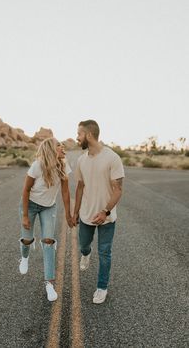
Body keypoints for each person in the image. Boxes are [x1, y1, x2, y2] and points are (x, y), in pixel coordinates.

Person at [72, 120, 125, 304]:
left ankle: (102, 287)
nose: (77, 137)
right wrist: (75, 211)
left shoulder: (112, 158)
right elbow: (79, 187)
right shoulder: (81, 160)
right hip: (86, 214)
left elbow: (118, 189)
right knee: (84, 245)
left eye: (79, 134)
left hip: (107, 217)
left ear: (88, 135)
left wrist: (105, 212)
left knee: (104, 252)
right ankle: (86, 254)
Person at [19, 137, 73, 302]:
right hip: (31, 205)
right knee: (27, 239)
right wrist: (25, 215)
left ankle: (49, 284)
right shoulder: (37, 165)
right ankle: (24, 257)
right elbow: (26, 190)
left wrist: (68, 214)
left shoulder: (63, 165)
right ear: (51, 149)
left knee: (48, 241)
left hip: (49, 207)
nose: (62, 147)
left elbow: (65, 192)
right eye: (58, 145)